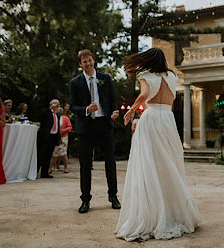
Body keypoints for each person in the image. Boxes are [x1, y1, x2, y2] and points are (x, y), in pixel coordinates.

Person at [115, 48, 199, 241]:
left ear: (149, 60)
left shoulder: (146, 76)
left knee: (148, 165)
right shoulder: (172, 75)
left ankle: (153, 213)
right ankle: (174, 212)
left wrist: (132, 110)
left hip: (152, 119)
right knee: (168, 165)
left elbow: (144, 95)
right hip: (168, 119)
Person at [69, 49, 121, 213]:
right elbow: (72, 106)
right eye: (84, 61)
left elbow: (113, 100)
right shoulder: (75, 82)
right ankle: (85, 200)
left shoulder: (105, 79)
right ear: (80, 65)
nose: (88, 63)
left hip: (104, 125)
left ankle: (113, 196)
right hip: (86, 127)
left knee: (110, 162)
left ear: (94, 61)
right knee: (85, 165)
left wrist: (114, 111)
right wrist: (86, 109)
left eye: (90, 60)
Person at [33, 99, 63, 178]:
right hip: (44, 137)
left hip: (53, 137)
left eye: (58, 104)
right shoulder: (46, 112)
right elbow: (40, 117)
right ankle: (34, 172)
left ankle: (44, 173)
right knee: (40, 155)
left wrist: (58, 138)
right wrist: (50, 108)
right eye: (56, 104)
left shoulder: (57, 115)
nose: (57, 106)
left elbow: (57, 127)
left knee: (48, 156)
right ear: (51, 104)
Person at [53, 107, 73, 174]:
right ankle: (53, 167)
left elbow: (70, 127)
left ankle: (66, 167)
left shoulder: (65, 118)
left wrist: (64, 130)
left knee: (63, 152)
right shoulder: (54, 117)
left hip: (64, 137)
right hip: (56, 137)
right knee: (55, 152)